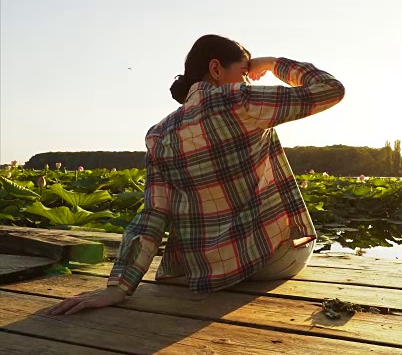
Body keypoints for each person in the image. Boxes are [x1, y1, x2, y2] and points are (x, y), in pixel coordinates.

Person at [47, 34, 345, 315]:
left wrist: (119, 286)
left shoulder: (159, 133)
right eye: (244, 71)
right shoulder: (242, 100)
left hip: (203, 271)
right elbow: (331, 89)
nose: (246, 79)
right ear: (216, 68)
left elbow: (153, 212)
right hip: (267, 262)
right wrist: (270, 63)